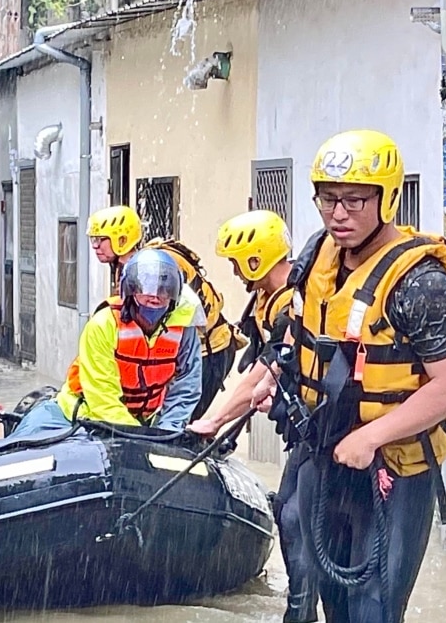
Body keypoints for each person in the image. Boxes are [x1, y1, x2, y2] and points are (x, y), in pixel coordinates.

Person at [246, 130, 446, 623]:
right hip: (324, 455)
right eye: (327, 200)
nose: (337, 214)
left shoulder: (422, 283)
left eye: (353, 200)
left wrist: (372, 436)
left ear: (386, 198)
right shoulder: (316, 256)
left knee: (374, 605)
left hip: (391, 469)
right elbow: (298, 334)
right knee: (331, 597)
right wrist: (273, 386)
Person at [188, 208, 317, 623]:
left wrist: (212, 421)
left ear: (256, 259)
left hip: (321, 430)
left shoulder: (290, 303)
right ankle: (301, 607)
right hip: (301, 431)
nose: (234, 271)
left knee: (296, 516)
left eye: (236, 263)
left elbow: (261, 373)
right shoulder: (265, 297)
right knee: (288, 511)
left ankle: (301, 611)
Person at [7, 248, 206, 438]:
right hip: (79, 414)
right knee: (20, 446)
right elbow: (103, 398)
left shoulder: (183, 331)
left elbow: (186, 388)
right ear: (130, 289)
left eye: (164, 289)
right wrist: (138, 437)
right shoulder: (103, 325)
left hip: (142, 423)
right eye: (145, 288)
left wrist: (166, 433)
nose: (154, 296)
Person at [87, 205, 246, 422]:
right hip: (178, 350)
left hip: (207, 349)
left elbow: (188, 316)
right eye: (93, 240)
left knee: (181, 422)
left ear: (121, 239)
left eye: (101, 239)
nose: (95, 246)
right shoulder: (128, 268)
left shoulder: (158, 266)